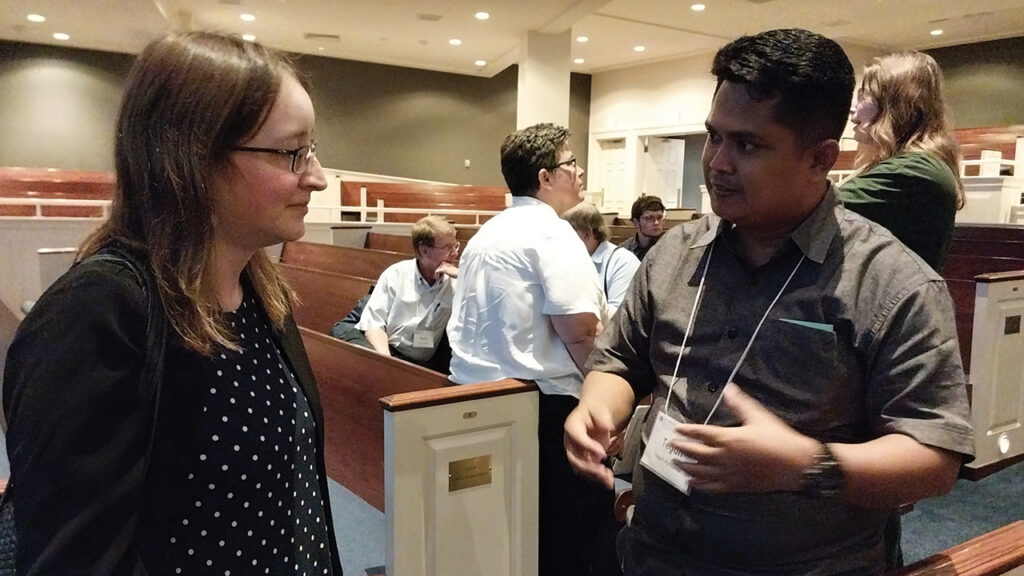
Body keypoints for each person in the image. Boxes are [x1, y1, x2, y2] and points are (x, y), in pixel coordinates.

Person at [564, 28, 974, 576]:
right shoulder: (675, 253)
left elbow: (934, 458)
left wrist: (807, 465)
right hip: (654, 553)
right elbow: (619, 360)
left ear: (820, 158)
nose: (717, 162)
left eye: (748, 145)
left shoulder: (892, 283)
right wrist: (598, 407)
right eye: (715, 137)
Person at [2, 32, 344, 575]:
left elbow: (293, 505)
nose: (318, 177)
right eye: (291, 152)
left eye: (313, 150)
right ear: (191, 157)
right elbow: (76, 559)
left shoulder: (260, 292)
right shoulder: (96, 312)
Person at [447, 123, 615, 576]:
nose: (579, 172)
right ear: (545, 177)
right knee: (577, 542)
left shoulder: (487, 232)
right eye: (571, 163)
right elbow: (579, 331)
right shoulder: (552, 233)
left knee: (510, 536)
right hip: (540, 409)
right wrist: (609, 398)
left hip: (476, 398)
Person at [840, 51, 965, 271]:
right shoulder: (912, 165)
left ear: (894, 106)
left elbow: (806, 210)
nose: (853, 109)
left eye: (863, 96)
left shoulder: (916, 169)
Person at [349, 215, 458, 371]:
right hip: (390, 352)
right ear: (424, 250)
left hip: (426, 363)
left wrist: (461, 276)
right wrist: (390, 366)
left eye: (455, 246)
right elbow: (374, 325)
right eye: (448, 247)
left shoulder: (455, 281)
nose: (454, 253)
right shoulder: (396, 275)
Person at [563, 201, 641, 315]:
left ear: (587, 233)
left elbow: (618, 316)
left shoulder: (624, 262)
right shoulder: (571, 259)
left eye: (566, 233)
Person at [619, 195, 665, 260]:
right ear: (636, 222)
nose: (656, 222)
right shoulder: (624, 250)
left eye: (659, 217)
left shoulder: (672, 247)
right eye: (649, 218)